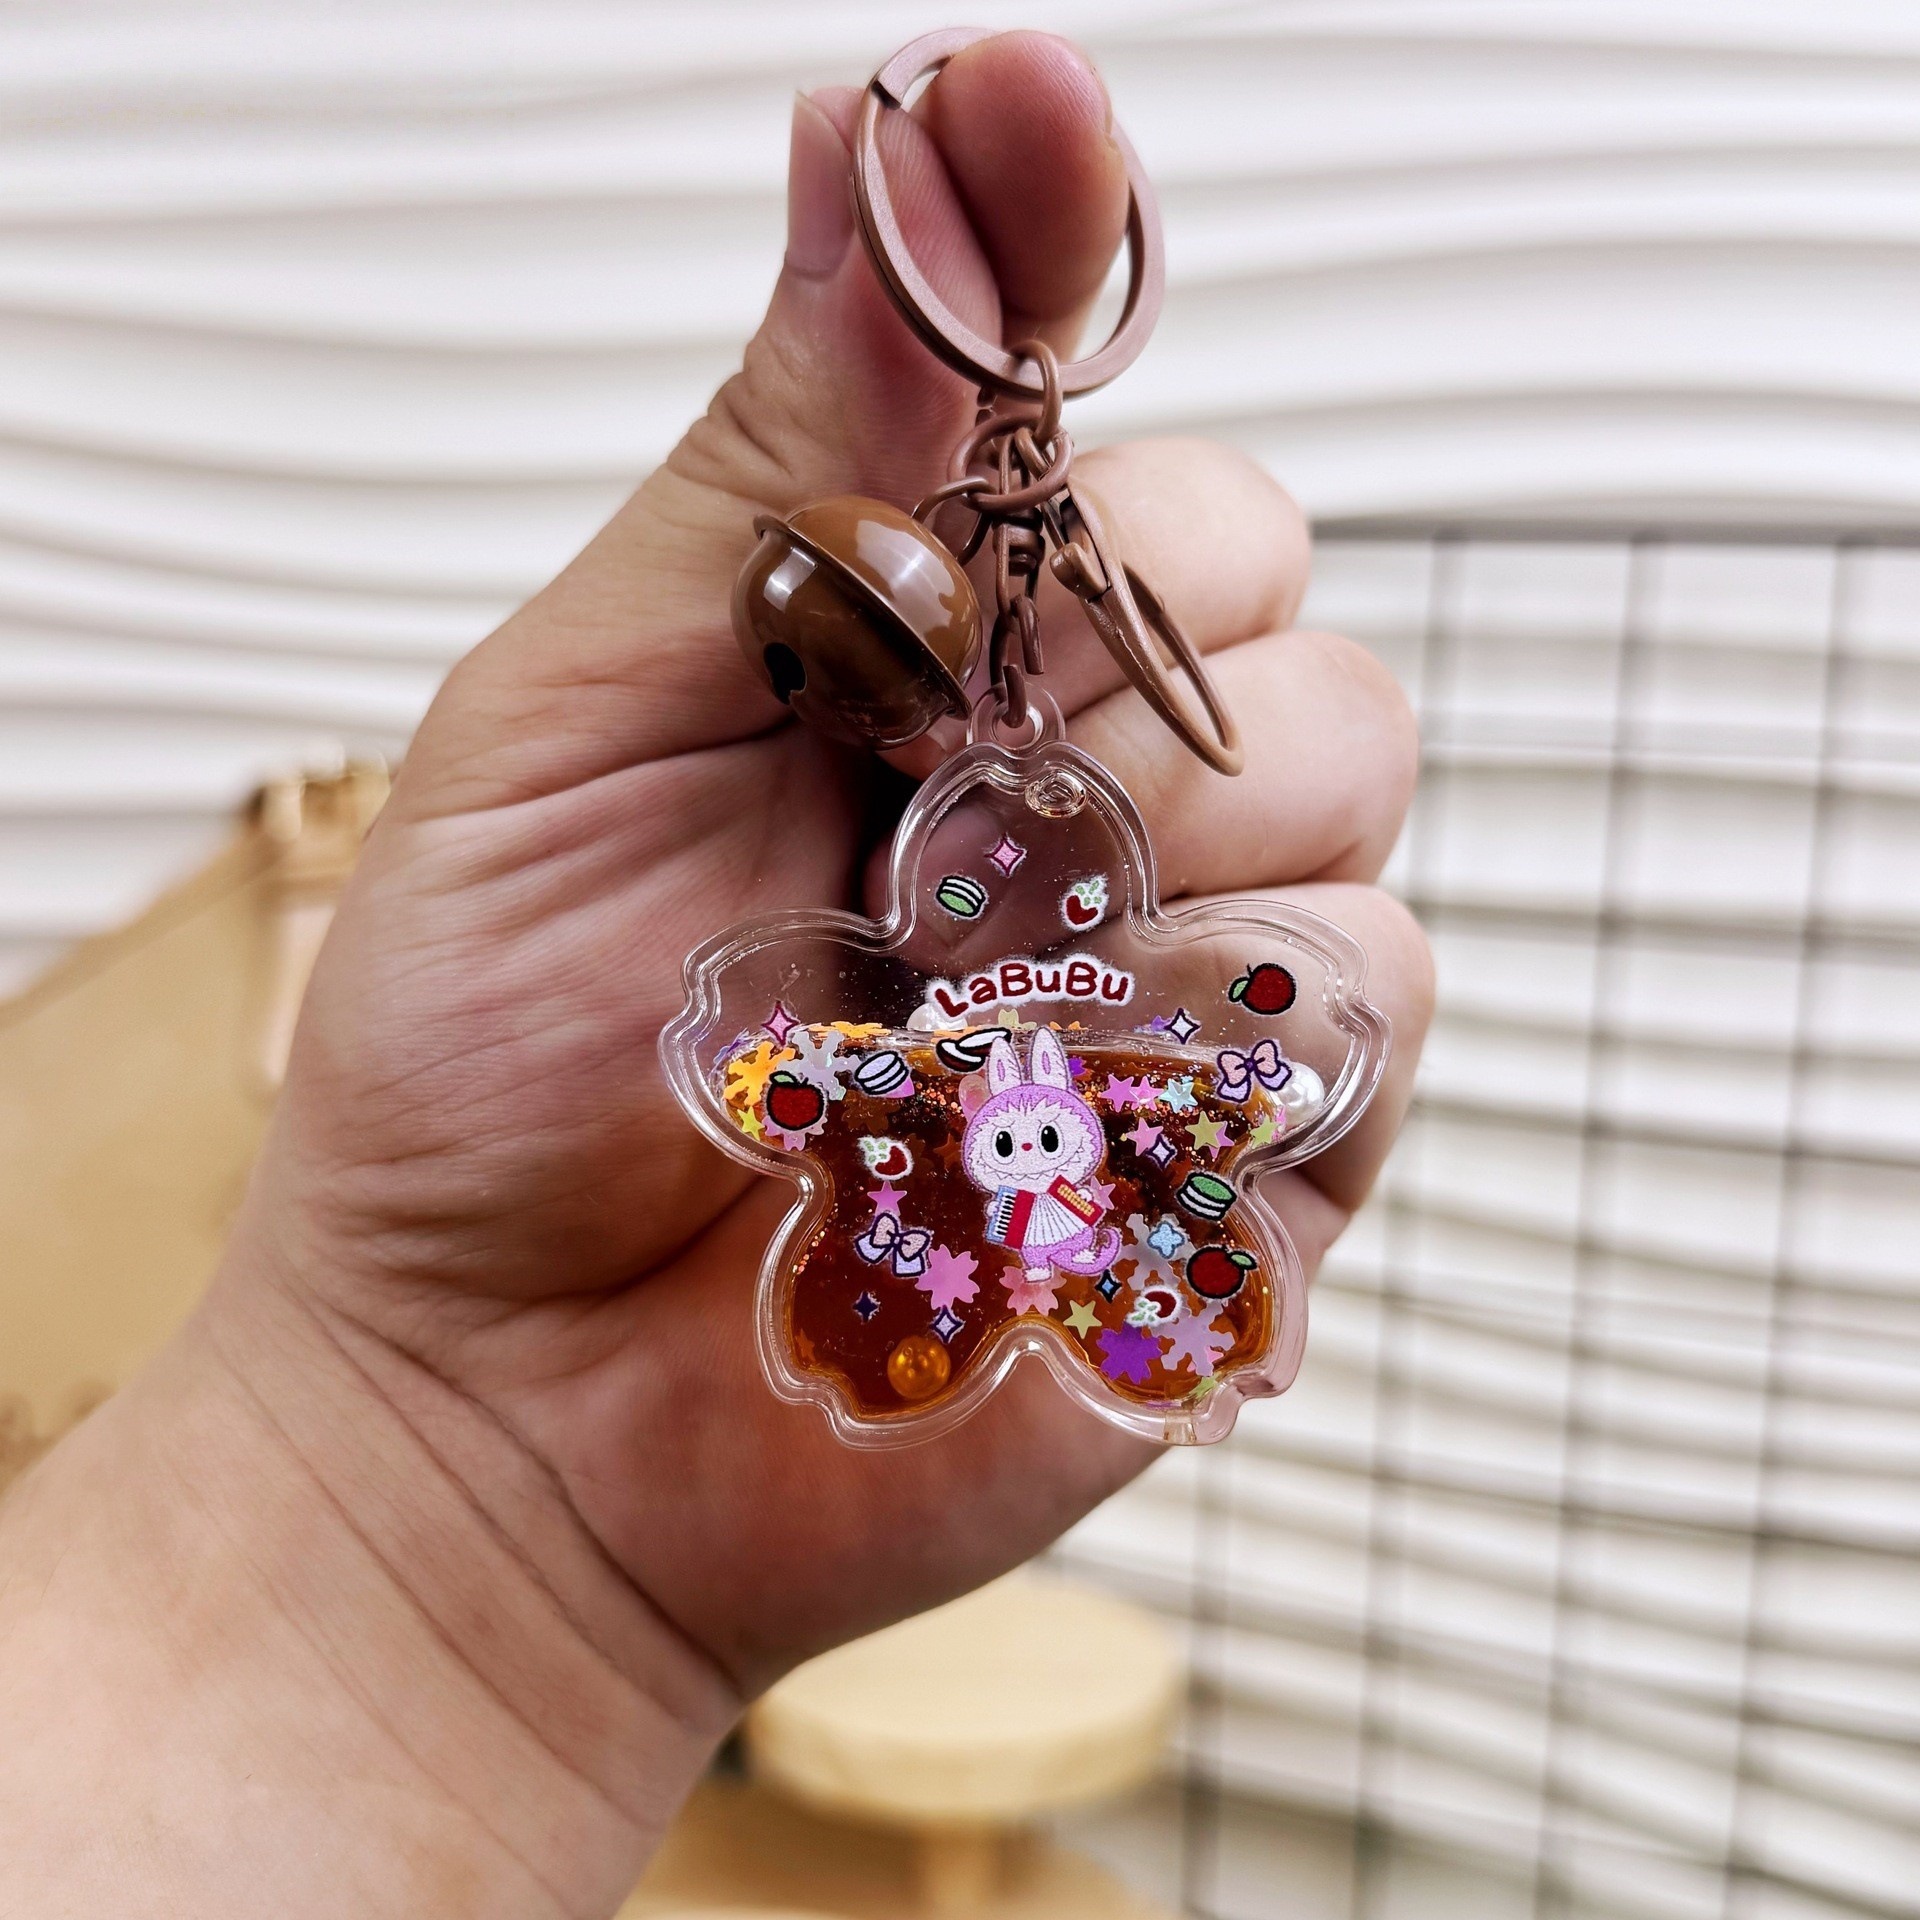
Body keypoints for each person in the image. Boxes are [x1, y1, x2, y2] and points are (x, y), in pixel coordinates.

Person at [0, 31, 1430, 1917]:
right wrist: (386, 1470)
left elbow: (1222, 1052)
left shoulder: (1071, 1051)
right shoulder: (837, 1042)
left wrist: (411, 1531)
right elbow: (804, 1049)